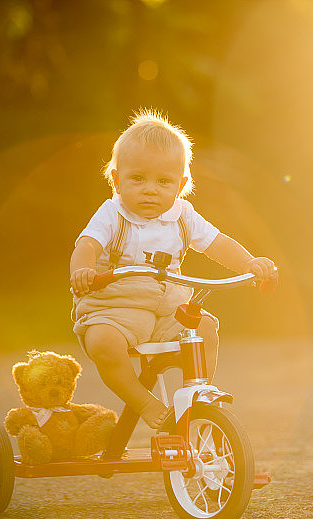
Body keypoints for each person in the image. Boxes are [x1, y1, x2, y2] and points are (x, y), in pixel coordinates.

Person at [70, 109, 277, 430]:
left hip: (167, 310)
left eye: (164, 181)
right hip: (115, 308)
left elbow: (217, 243)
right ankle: (144, 402)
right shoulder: (112, 213)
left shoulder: (183, 215)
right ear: (116, 180)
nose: (151, 189)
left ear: (180, 185)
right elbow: (87, 245)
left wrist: (249, 263)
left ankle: (198, 394)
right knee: (102, 342)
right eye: (138, 178)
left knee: (205, 328)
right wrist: (82, 270)